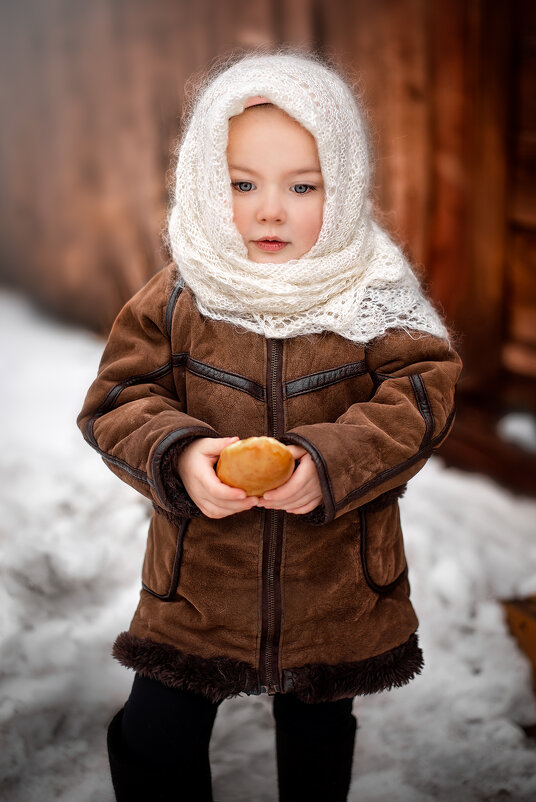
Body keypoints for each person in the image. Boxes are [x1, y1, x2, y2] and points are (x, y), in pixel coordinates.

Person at [77, 48, 462, 802]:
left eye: (303, 185)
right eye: (241, 183)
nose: (270, 210)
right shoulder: (181, 294)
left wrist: (330, 461)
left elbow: (422, 393)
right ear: (202, 181)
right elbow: (118, 400)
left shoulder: (372, 290)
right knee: (157, 731)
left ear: (344, 185)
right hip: (198, 581)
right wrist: (179, 456)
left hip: (335, 579)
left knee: (318, 733)